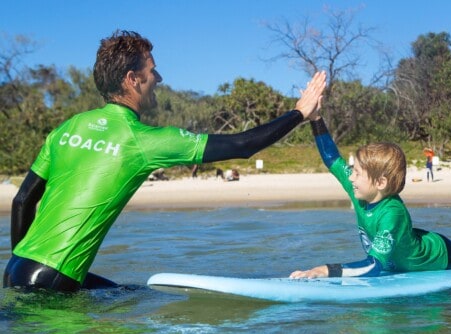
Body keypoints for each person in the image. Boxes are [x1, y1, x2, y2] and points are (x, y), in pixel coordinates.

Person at [4, 30, 326, 292]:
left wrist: (20, 263)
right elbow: (242, 145)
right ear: (133, 79)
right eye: (152, 69)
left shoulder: (67, 128)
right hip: (53, 278)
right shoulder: (144, 140)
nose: (159, 77)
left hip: (17, 268)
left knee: (130, 295)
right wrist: (299, 113)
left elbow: (22, 201)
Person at [289, 104, 451, 279]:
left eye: (356, 173)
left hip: (437, 255)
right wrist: (316, 119)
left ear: (381, 182)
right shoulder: (361, 190)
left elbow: (373, 266)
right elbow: (332, 158)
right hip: (406, 251)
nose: (349, 177)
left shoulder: (392, 214)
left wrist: (324, 270)